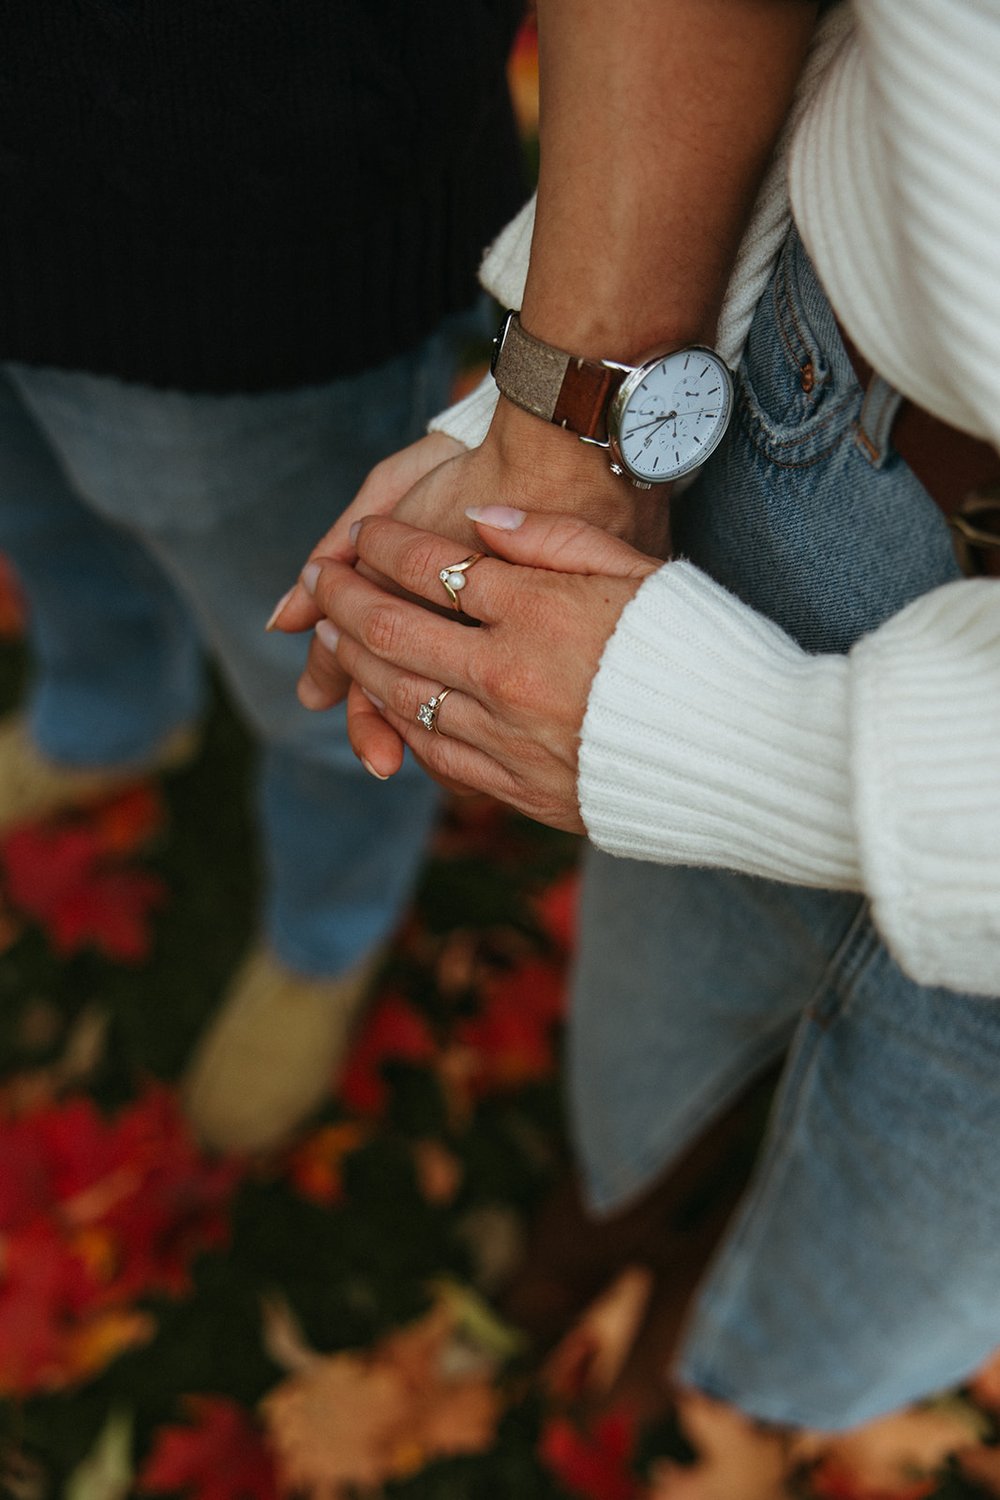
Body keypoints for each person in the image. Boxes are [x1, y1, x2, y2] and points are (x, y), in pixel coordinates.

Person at [274, 0, 1000, 1434]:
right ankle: (608, 1216)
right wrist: (561, 424)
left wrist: (752, 759)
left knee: (912, 1247)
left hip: (752, 629)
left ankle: (736, 1381)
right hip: (822, 420)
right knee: (656, 1003)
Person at [0, 1, 526, 1152]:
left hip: (221, 206)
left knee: (320, 657)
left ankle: (327, 925)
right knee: (36, 507)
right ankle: (110, 714)